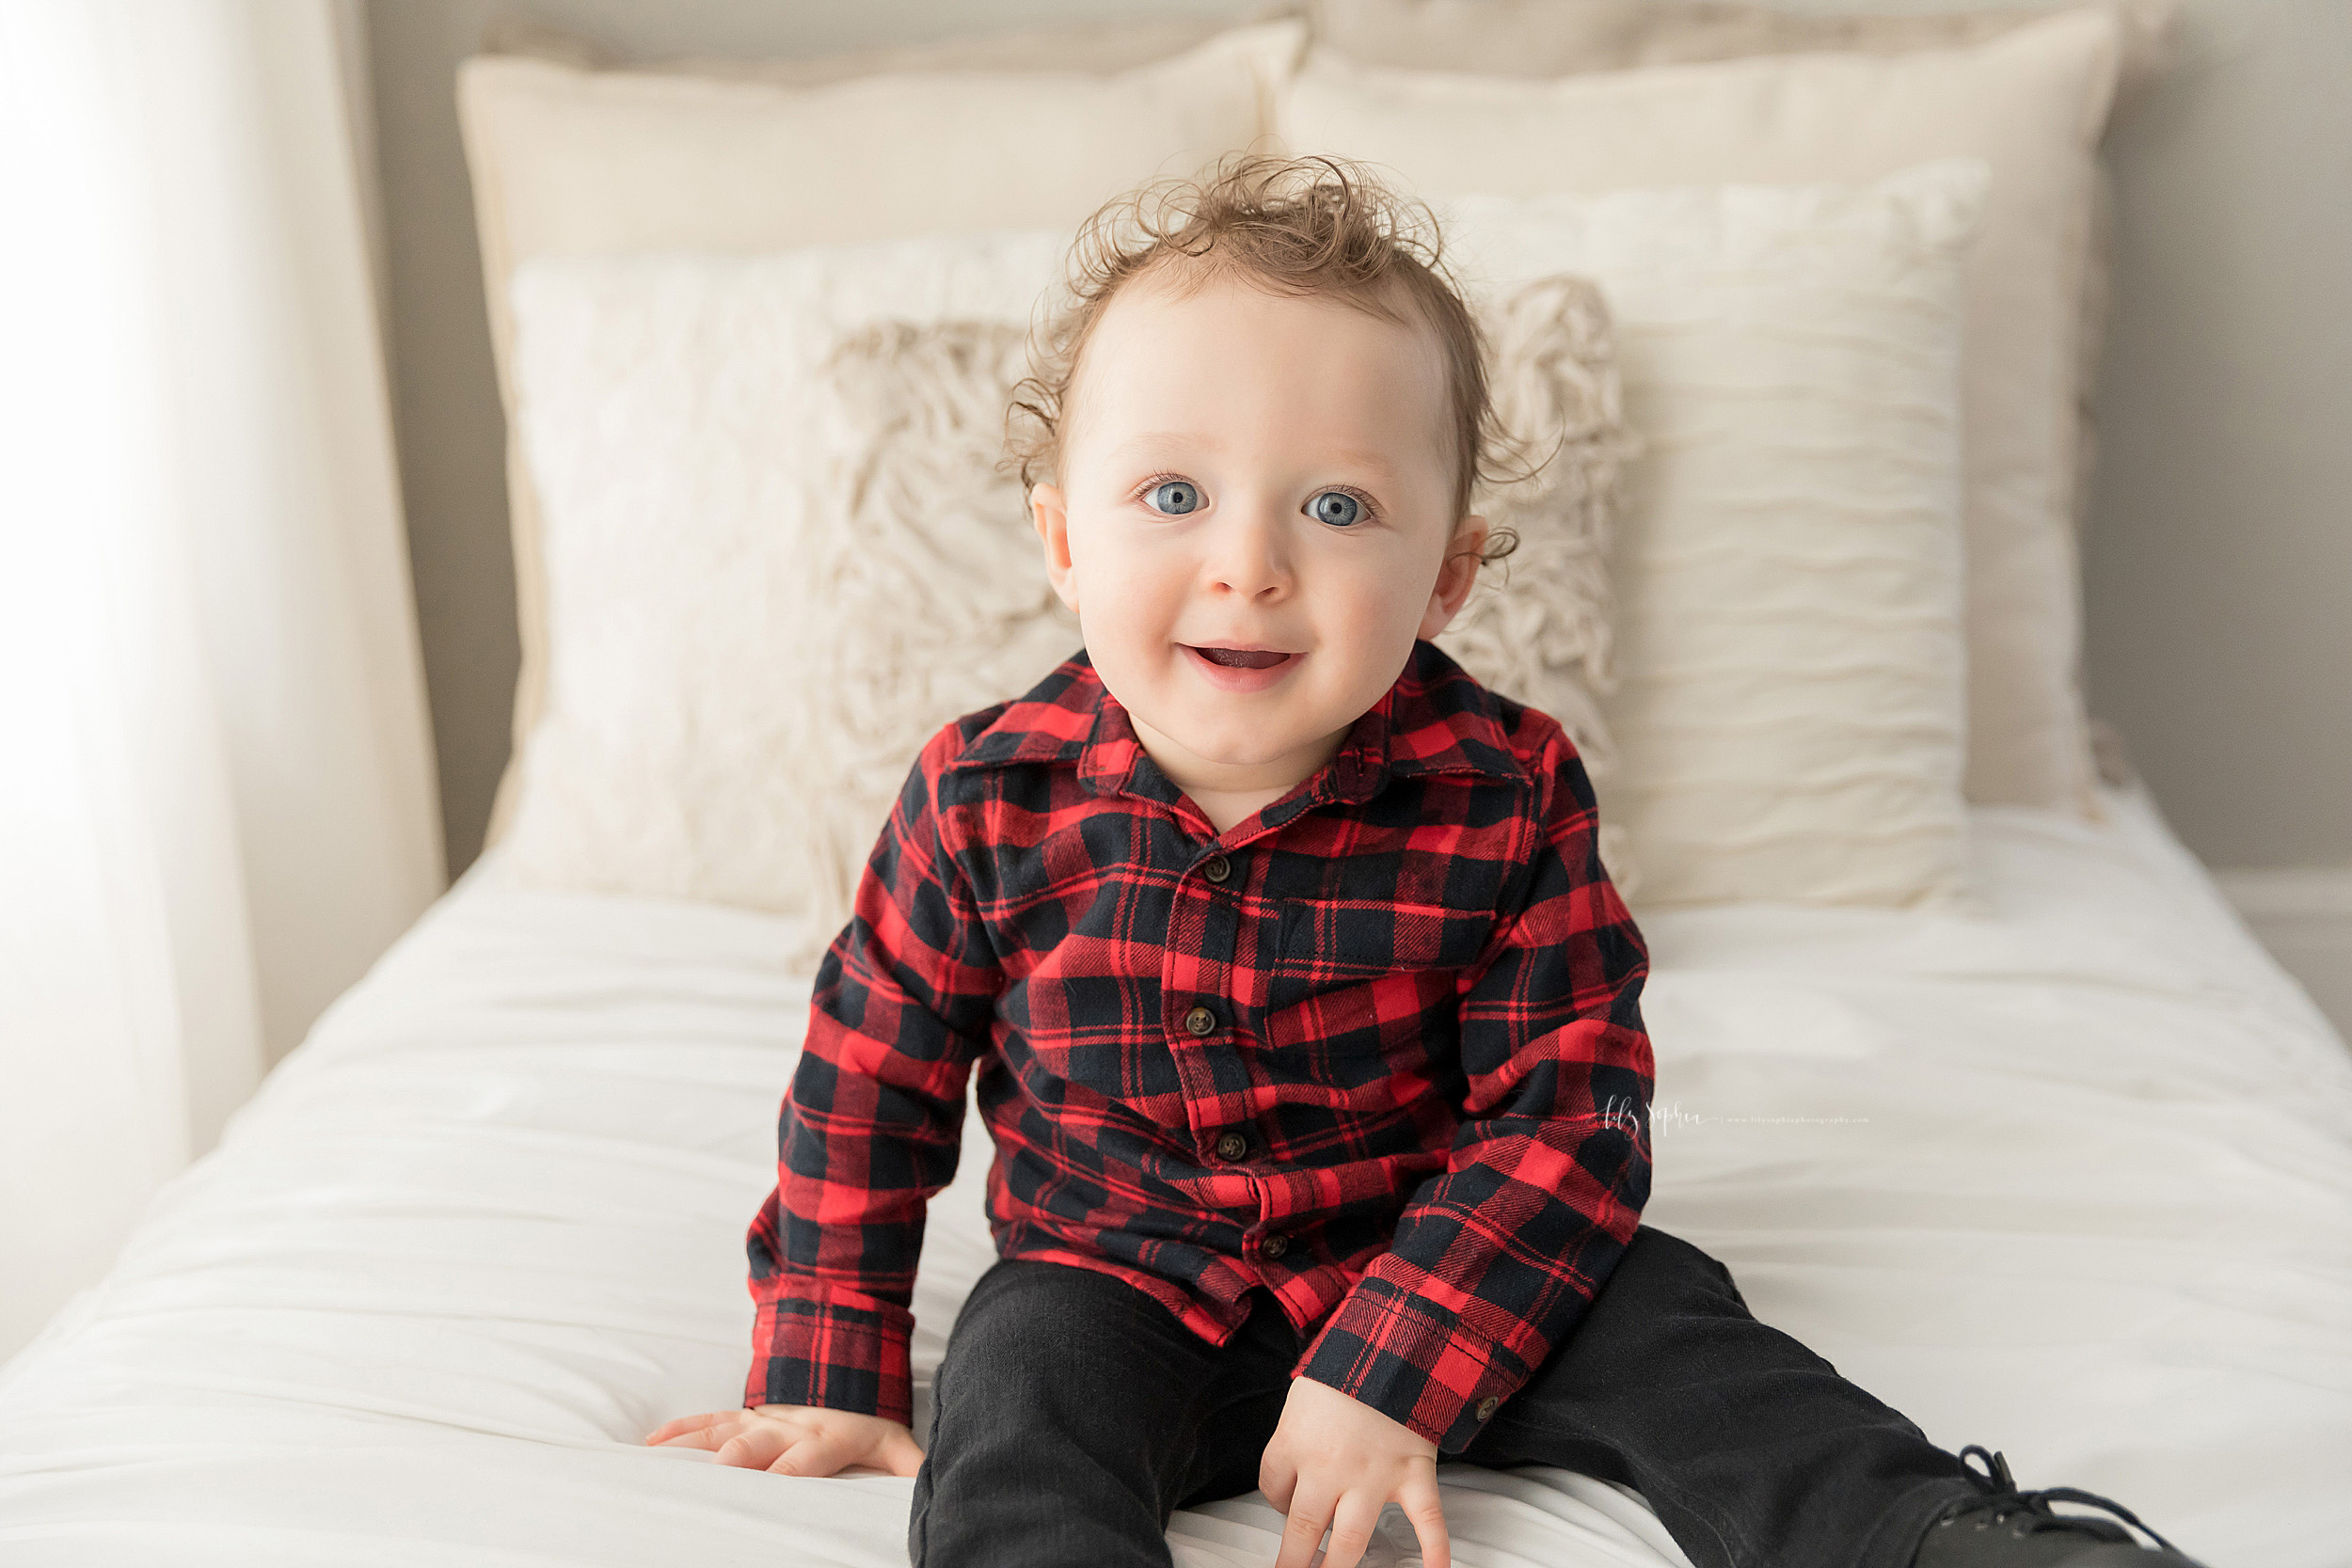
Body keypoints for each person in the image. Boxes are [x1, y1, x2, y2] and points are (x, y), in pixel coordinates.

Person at [644, 155, 2206, 1568]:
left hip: (1451, 1258)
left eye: (1337, 505)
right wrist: (830, 1364)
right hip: (1120, 1281)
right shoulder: (986, 799)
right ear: (1063, 538)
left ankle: (1936, 1543)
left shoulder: (1506, 792)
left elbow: (1572, 1110)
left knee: (1678, 1325)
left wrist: (1394, 1366)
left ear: (1446, 575)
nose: (1247, 562)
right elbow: (870, 1084)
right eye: (1173, 495)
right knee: (1018, 1387)